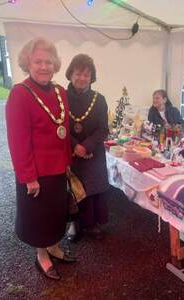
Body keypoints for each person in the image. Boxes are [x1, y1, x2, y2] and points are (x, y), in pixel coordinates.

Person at [5, 37, 76, 281]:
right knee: (39, 219)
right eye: (38, 61)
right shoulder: (19, 94)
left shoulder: (60, 92)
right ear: (28, 63)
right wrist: (28, 177)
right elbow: (17, 140)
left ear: (55, 64)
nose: (44, 66)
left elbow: (63, 130)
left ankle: (55, 247)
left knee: (57, 214)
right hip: (36, 173)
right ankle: (42, 256)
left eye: (48, 61)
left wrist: (67, 162)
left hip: (58, 168)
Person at [65, 54, 109, 242]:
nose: (82, 78)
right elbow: (61, 127)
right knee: (74, 191)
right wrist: (76, 146)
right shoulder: (61, 98)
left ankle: (93, 224)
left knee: (93, 189)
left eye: (86, 75)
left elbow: (103, 129)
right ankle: (74, 223)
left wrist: (87, 146)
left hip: (94, 153)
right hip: (71, 153)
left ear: (92, 77)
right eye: (78, 74)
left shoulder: (99, 99)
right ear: (70, 74)